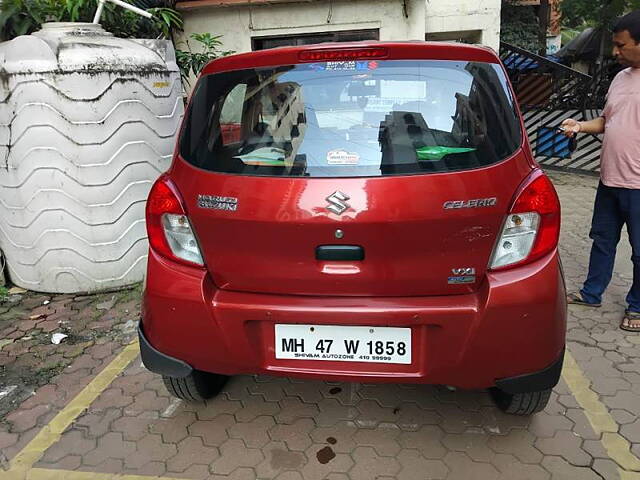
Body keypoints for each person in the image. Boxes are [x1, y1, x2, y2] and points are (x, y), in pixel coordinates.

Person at [562, 10, 640, 332]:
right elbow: (608, 122)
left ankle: (637, 306)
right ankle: (591, 293)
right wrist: (578, 126)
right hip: (609, 180)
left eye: (621, 46)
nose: (614, 52)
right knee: (603, 240)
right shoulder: (621, 80)